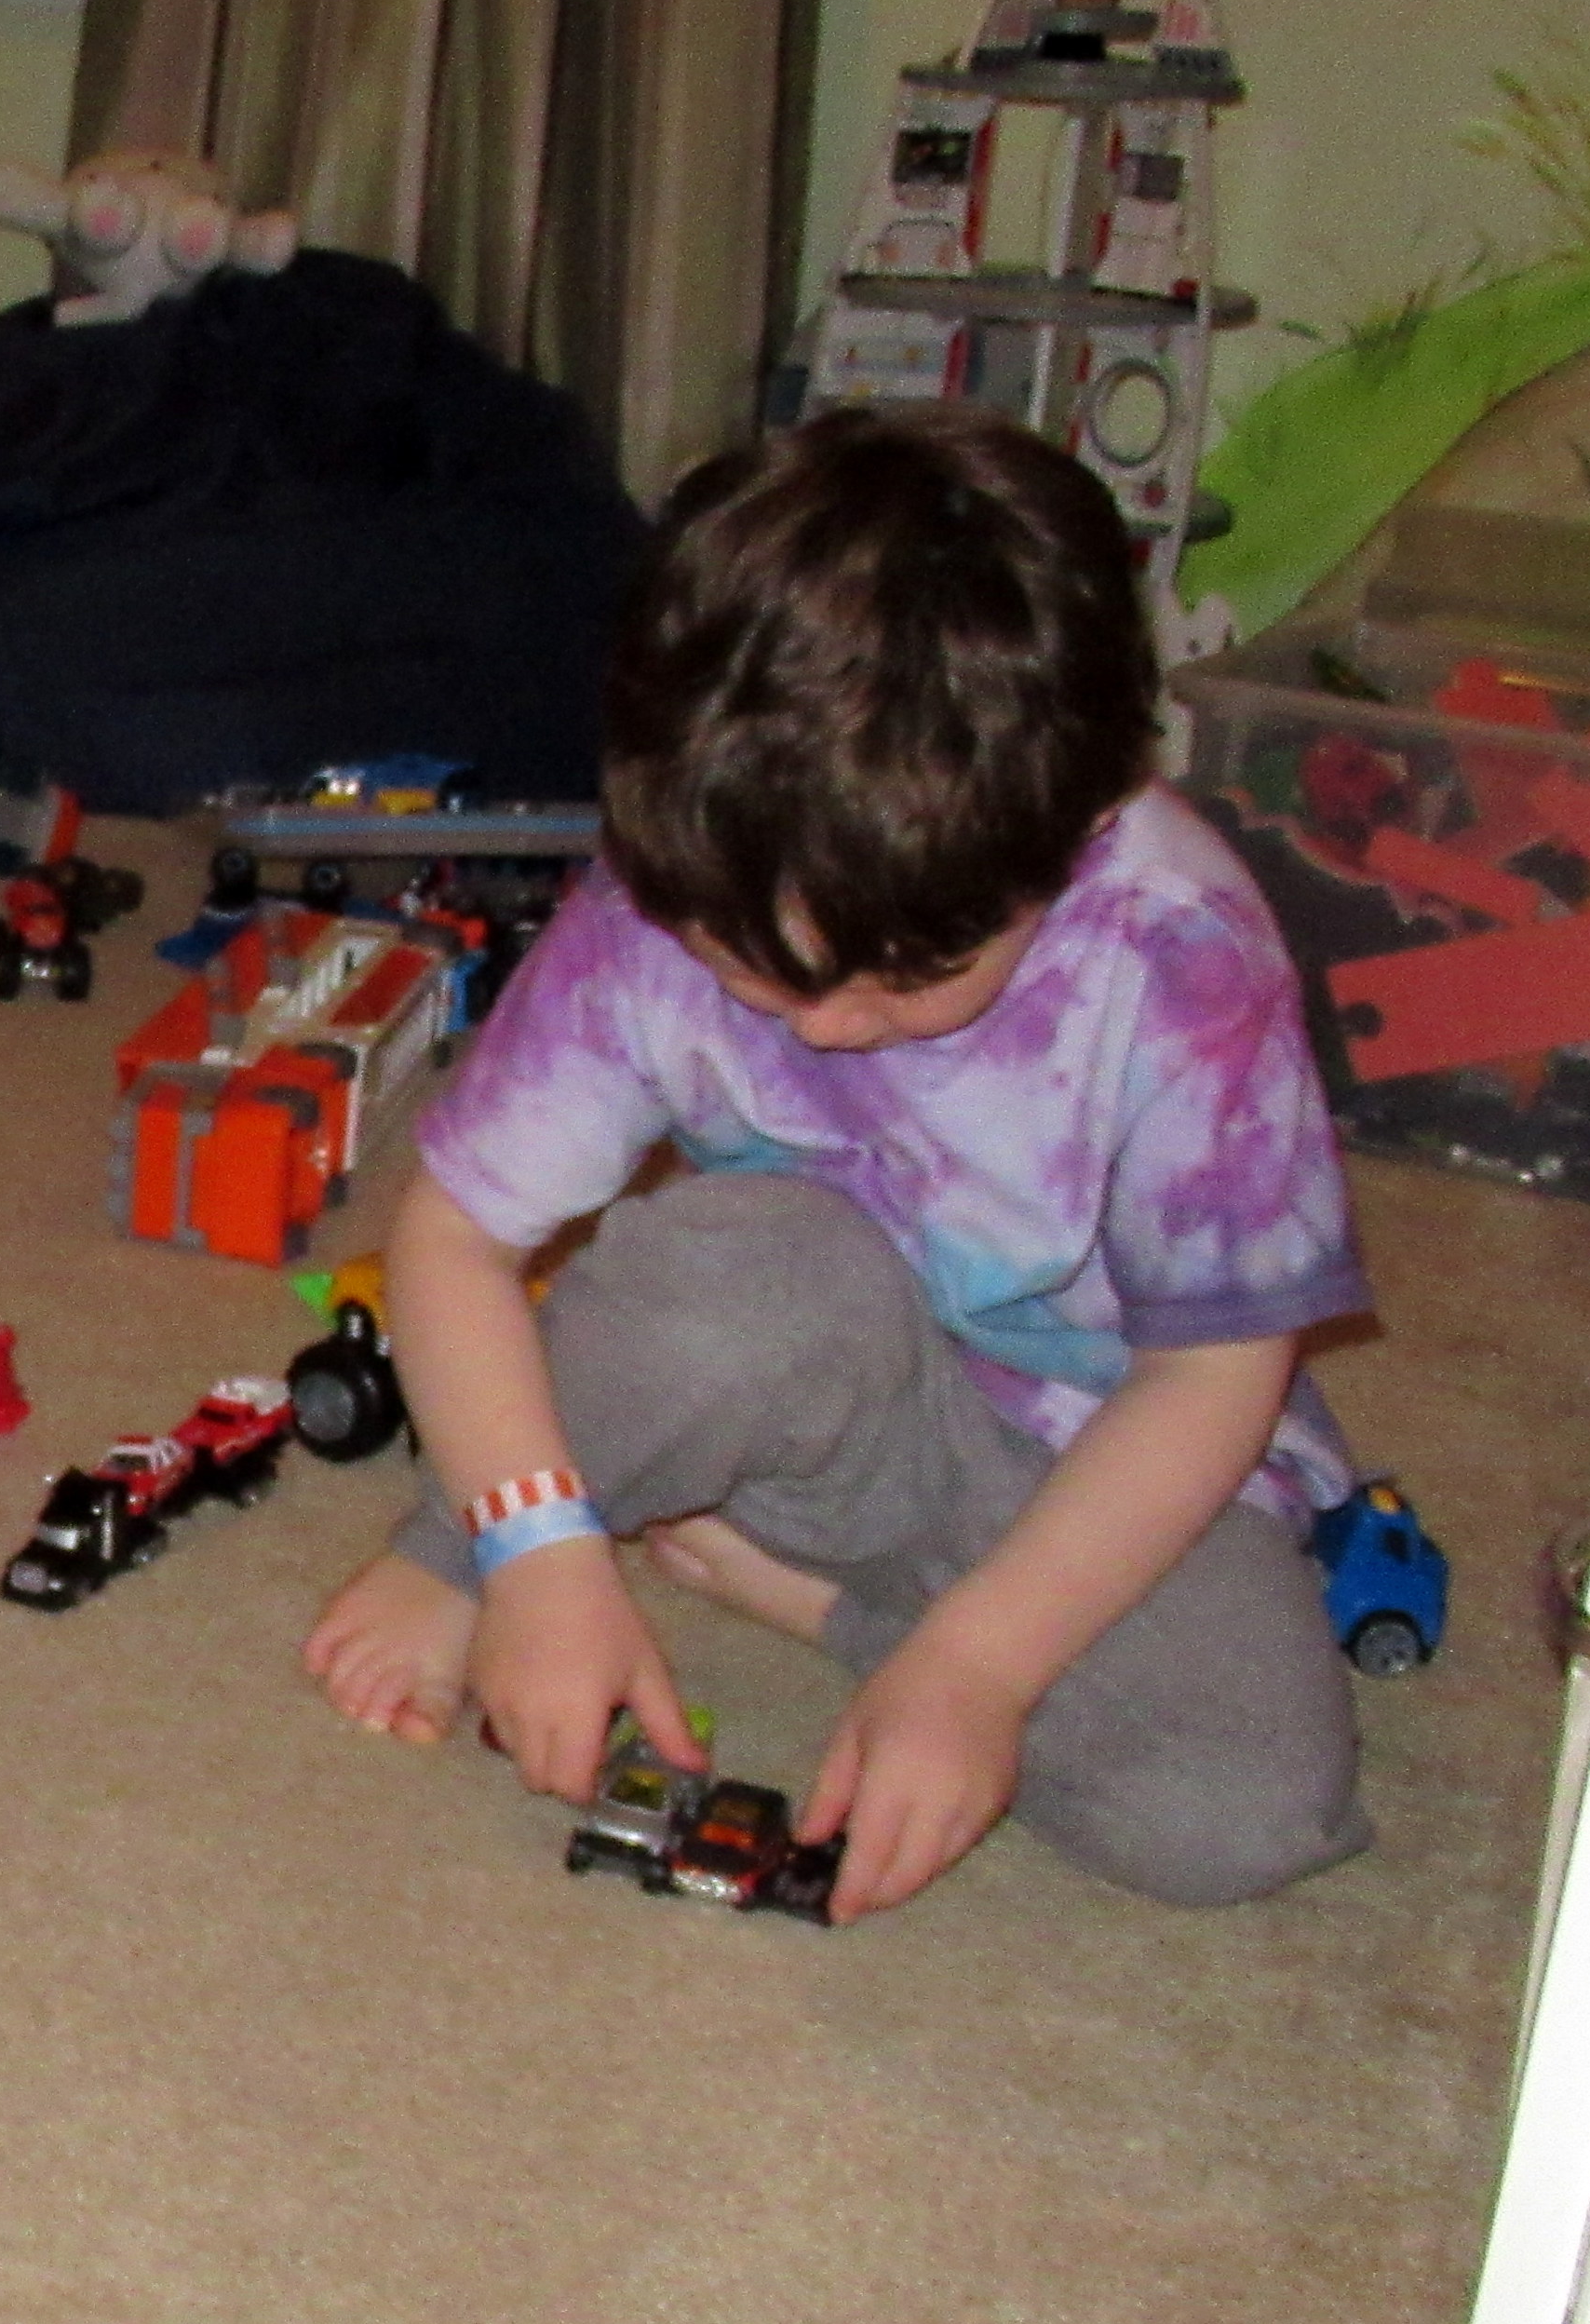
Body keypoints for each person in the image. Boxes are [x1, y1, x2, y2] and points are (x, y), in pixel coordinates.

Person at [301, 404, 1372, 1921]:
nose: (821, 1024)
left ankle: (825, 1606)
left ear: (1076, 830)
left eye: (907, 977)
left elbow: (1211, 1379)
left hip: (1087, 1451)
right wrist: (529, 1546)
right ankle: (457, 1546)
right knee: (699, 1291)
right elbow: (454, 1240)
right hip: (802, 1353)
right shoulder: (678, 880)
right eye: (748, 965)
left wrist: (978, 1662)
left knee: (1247, 1805)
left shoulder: (1180, 949)